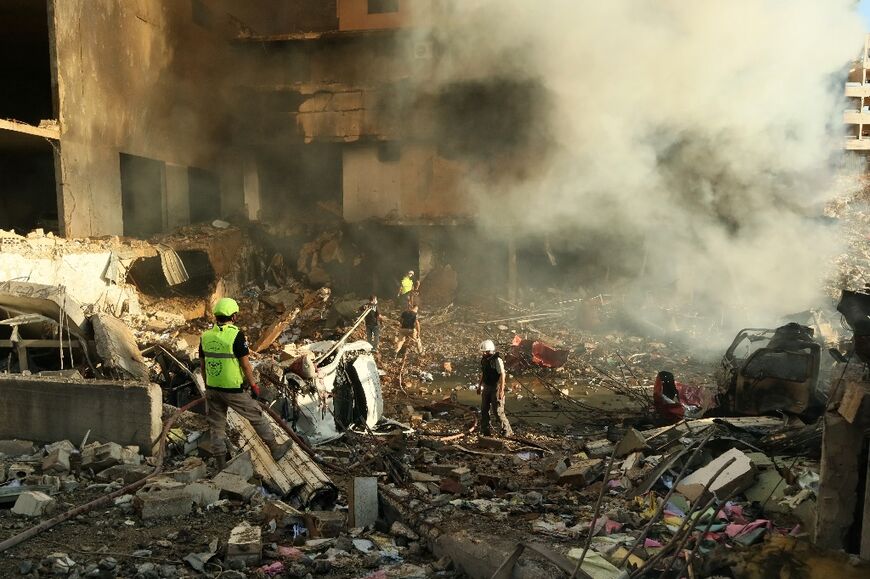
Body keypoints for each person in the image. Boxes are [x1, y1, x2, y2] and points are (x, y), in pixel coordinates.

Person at [200, 297, 292, 470]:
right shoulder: (235, 335)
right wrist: (254, 386)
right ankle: (275, 448)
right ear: (233, 316)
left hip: (212, 388)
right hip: (232, 389)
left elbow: (203, 365)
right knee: (256, 416)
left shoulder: (205, 336)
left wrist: (207, 387)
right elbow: (246, 365)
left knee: (217, 426)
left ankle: (221, 465)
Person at [477, 340, 513, 437]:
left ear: (491, 350)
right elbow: (483, 374)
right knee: (484, 409)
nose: (484, 353)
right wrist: (479, 386)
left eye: (486, 352)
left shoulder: (497, 360)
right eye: (483, 352)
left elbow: (502, 375)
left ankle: (507, 430)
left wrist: (501, 390)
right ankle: (485, 430)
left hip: (495, 387)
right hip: (487, 387)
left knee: (498, 411)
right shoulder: (484, 360)